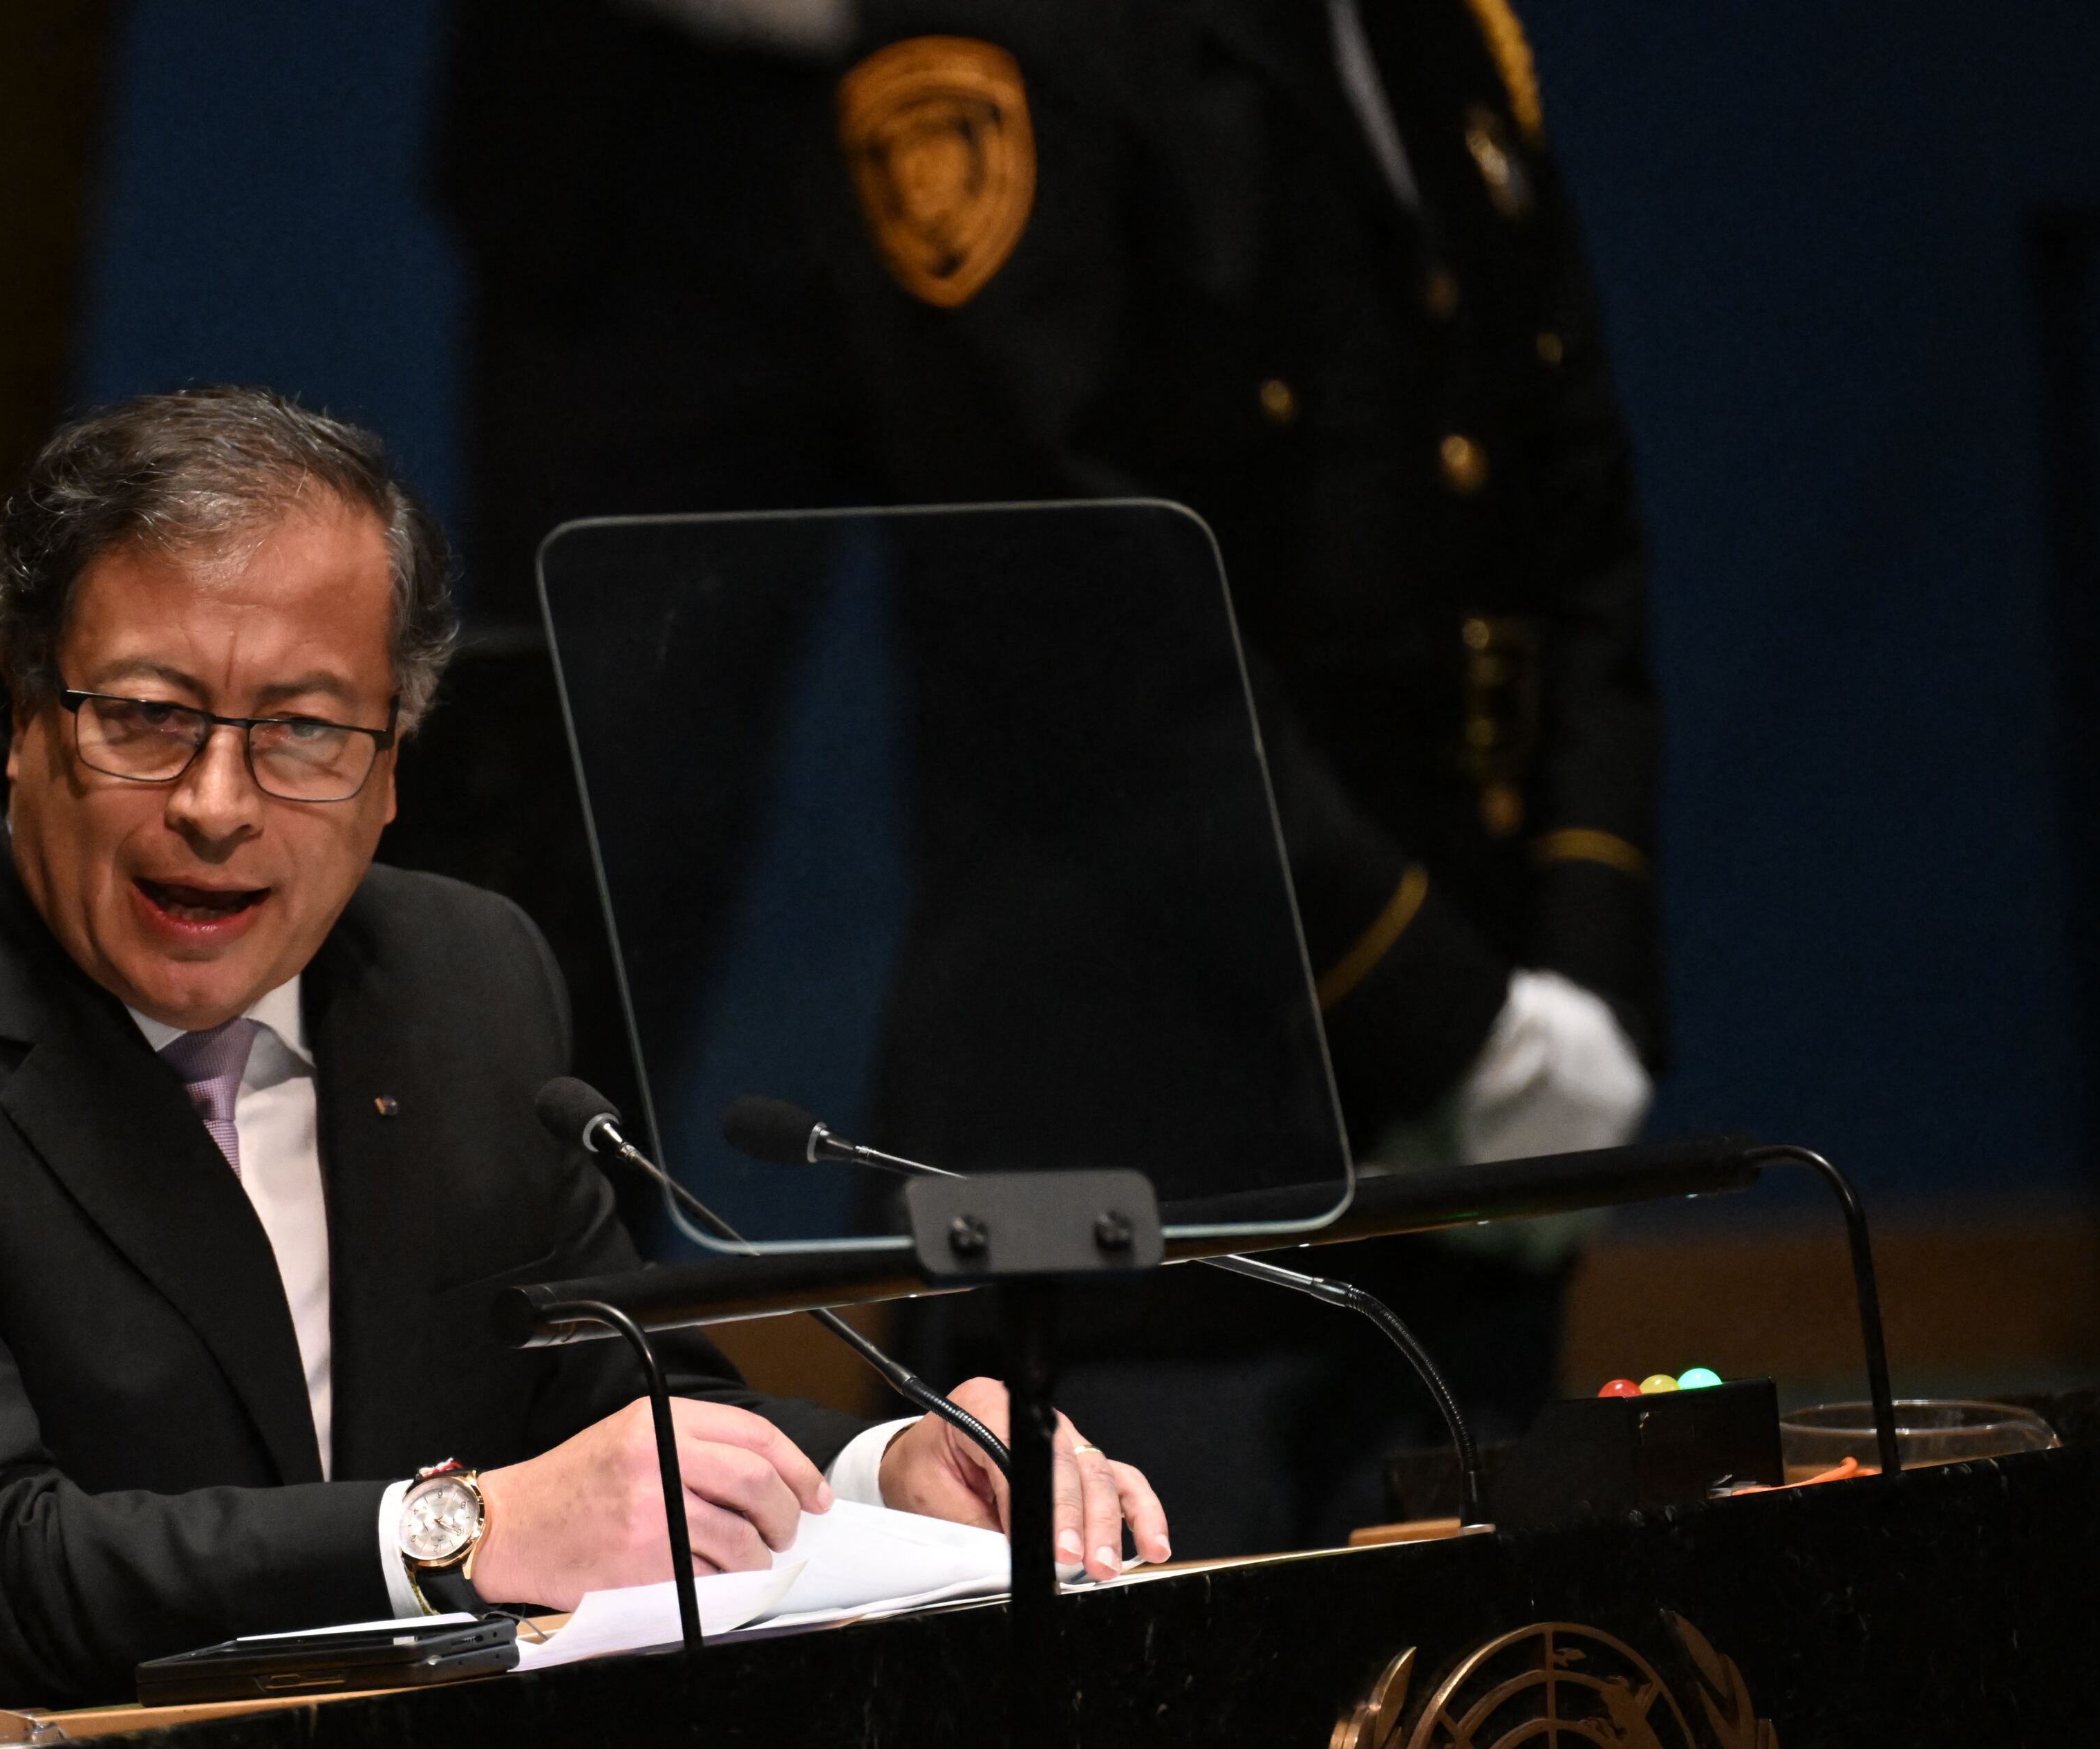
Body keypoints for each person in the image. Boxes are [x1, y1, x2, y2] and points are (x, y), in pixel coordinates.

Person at [0, 386, 1165, 1712]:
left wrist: (885, 1468)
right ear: (22, 715)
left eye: (303, 731)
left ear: (389, 767)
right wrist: (457, 1533)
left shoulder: (459, 979)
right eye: (148, 716)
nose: (218, 801)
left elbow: (604, 1410)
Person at [435, 0, 1665, 1547]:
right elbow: (1089, 622)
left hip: (1457, 1120)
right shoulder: (1006, 48)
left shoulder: (1443, 37)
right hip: (1171, 1161)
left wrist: (1584, 990)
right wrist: (1452, 1024)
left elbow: (1571, 525)